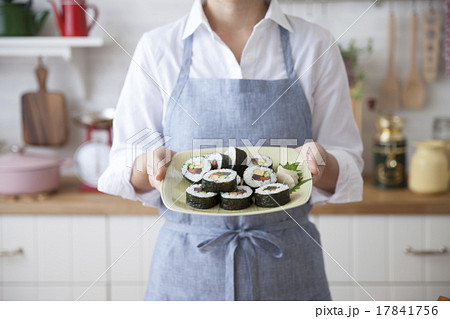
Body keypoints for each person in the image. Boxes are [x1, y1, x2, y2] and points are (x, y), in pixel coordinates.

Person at [98, 0, 363, 301]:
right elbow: (122, 164)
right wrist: (149, 165)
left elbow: (348, 160)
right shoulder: (158, 46)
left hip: (289, 267)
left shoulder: (315, 43)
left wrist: (320, 163)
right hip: (187, 269)